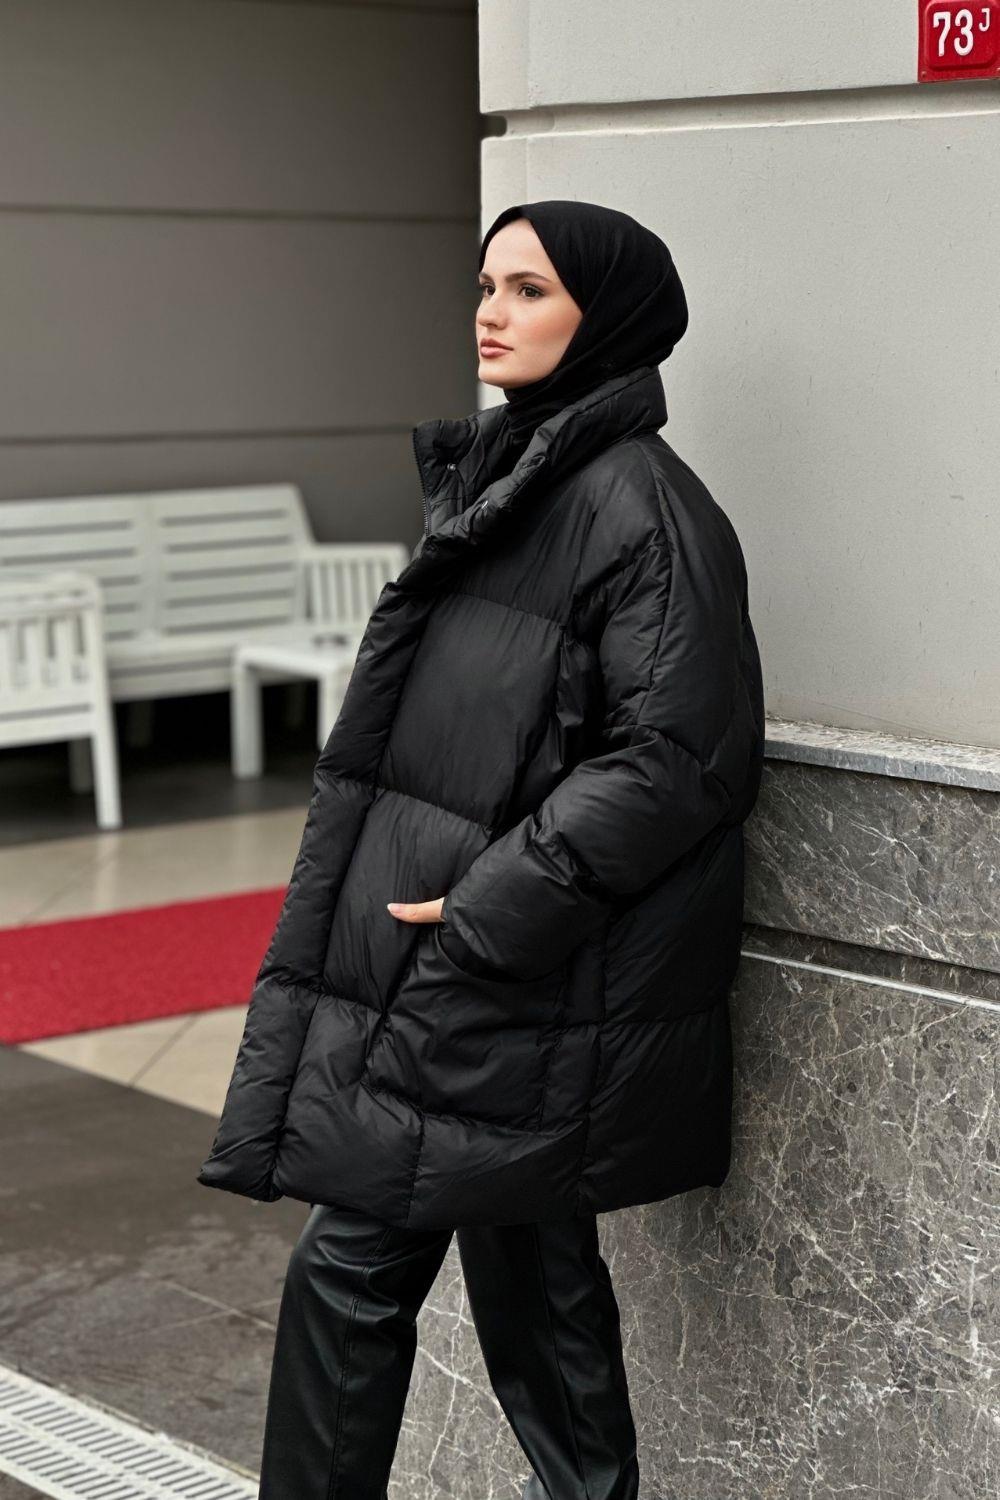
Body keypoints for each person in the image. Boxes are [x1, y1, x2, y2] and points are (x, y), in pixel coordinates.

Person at [198, 199, 765, 1500]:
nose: (490, 313)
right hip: (499, 970)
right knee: (536, 1279)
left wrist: (487, 904)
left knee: (353, 1270)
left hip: (520, 970)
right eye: (487, 284)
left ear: (606, 319)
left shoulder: (642, 511)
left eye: (530, 290)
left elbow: (676, 762)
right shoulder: (524, 480)